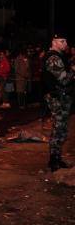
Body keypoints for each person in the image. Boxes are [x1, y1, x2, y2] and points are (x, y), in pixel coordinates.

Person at [42, 34, 75, 172]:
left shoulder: (59, 56)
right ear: (54, 42)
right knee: (58, 128)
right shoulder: (53, 58)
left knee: (62, 129)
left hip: (62, 97)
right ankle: (53, 161)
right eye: (62, 41)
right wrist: (73, 71)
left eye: (66, 40)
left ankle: (57, 158)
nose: (65, 43)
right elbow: (63, 80)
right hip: (57, 98)